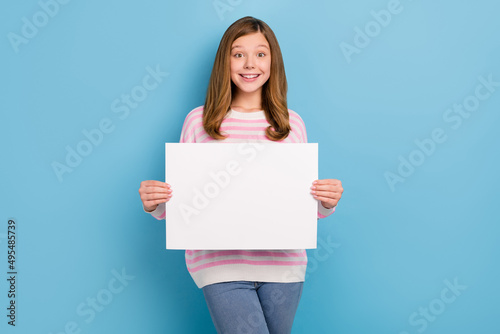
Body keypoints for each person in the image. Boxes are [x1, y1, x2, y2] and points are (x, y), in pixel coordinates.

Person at [138, 16, 343, 334]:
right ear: (226, 61)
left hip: (284, 265)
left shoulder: (291, 125)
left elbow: (302, 206)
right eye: (238, 54)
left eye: (261, 54)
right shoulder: (200, 122)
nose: (250, 64)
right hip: (219, 265)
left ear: (273, 62)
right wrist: (155, 203)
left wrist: (326, 202)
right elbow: (181, 204)